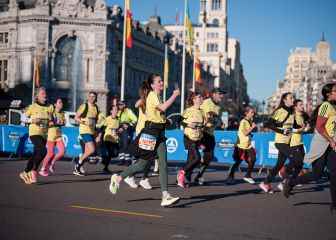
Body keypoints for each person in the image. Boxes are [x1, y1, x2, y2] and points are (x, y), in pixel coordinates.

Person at [109, 74, 181, 207]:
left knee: (163, 163)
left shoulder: (157, 96)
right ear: (152, 85)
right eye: (159, 81)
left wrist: (167, 121)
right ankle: (118, 177)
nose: (162, 83)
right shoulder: (152, 95)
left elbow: (159, 115)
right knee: (143, 164)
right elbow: (162, 108)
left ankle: (165, 195)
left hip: (159, 133)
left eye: (161, 81)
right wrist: (175, 95)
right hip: (150, 133)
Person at [283, 83, 336, 213]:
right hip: (321, 143)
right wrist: (330, 140)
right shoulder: (325, 106)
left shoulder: (334, 107)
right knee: (317, 175)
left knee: (335, 173)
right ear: (328, 94)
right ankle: (291, 182)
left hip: (331, 145)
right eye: (335, 90)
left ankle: (334, 204)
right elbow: (319, 126)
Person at [259, 92, 295, 193]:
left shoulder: (292, 112)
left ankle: (265, 183)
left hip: (288, 142)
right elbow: (268, 124)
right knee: (295, 158)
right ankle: (284, 179)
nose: (293, 100)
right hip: (280, 142)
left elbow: (292, 126)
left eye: (293, 98)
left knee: (279, 165)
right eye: (291, 98)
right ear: (284, 100)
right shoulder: (280, 111)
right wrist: (282, 131)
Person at [19, 87, 53, 184]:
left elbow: (51, 119)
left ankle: (25, 172)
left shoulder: (50, 107)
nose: (45, 95)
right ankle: (33, 171)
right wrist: (32, 120)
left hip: (44, 134)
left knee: (36, 154)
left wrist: (52, 122)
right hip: (34, 133)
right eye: (42, 93)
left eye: (45, 93)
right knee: (43, 151)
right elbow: (22, 118)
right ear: (37, 96)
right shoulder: (32, 107)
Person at [194, 87, 226, 185]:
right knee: (195, 158)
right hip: (201, 132)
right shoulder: (206, 102)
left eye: (223, 94)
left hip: (210, 134)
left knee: (209, 156)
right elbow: (203, 115)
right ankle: (185, 173)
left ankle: (198, 176)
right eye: (220, 94)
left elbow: (217, 119)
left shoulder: (219, 106)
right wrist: (210, 120)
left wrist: (221, 123)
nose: (222, 96)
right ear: (214, 94)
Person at [177, 91, 204, 188]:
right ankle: (182, 172)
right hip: (188, 137)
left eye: (201, 97)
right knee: (197, 158)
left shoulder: (202, 111)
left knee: (190, 160)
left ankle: (185, 179)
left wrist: (201, 139)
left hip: (197, 138)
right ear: (194, 100)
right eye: (199, 97)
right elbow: (178, 121)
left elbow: (201, 126)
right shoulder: (188, 110)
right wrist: (188, 124)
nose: (201, 98)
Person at [226, 106, 257, 185]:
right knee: (238, 162)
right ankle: (230, 177)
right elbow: (245, 133)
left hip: (248, 145)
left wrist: (251, 133)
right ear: (246, 113)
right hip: (240, 145)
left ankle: (248, 175)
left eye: (253, 112)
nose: (253, 114)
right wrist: (252, 128)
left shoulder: (250, 121)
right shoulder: (243, 121)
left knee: (253, 158)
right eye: (251, 112)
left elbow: (248, 133)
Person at [73, 91, 101, 176]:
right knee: (92, 150)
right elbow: (76, 118)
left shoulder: (96, 107)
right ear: (88, 97)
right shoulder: (84, 106)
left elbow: (95, 121)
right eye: (90, 96)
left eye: (94, 97)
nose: (92, 98)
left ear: (96, 98)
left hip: (92, 131)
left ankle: (78, 163)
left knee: (87, 152)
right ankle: (78, 166)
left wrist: (97, 133)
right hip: (84, 131)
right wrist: (84, 122)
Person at [39, 98, 66, 176]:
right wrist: (55, 122)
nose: (61, 104)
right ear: (55, 104)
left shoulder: (62, 113)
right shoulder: (52, 111)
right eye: (59, 102)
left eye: (62, 102)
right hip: (51, 135)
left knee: (62, 151)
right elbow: (49, 122)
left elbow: (63, 122)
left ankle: (52, 163)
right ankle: (42, 169)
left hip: (58, 135)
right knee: (50, 153)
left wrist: (61, 122)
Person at [117, 100, 137, 166]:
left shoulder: (128, 111)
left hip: (127, 130)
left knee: (126, 144)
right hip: (121, 129)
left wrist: (128, 125)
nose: (119, 106)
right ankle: (121, 159)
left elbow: (135, 120)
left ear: (124, 105)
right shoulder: (119, 112)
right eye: (119, 104)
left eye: (121, 104)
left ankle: (127, 160)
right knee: (121, 144)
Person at [101, 105, 120, 173]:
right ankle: (105, 168)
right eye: (114, 110)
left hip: (115, 139)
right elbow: (103, 128)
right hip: (108, 138)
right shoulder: (108, 119)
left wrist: (119, 130)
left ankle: (104, 161)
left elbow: (118, 128)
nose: (116, 111)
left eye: (117, 109)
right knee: (109, 154)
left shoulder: (118, 119)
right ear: (111, 111)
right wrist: (99, 136)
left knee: (115, 154)